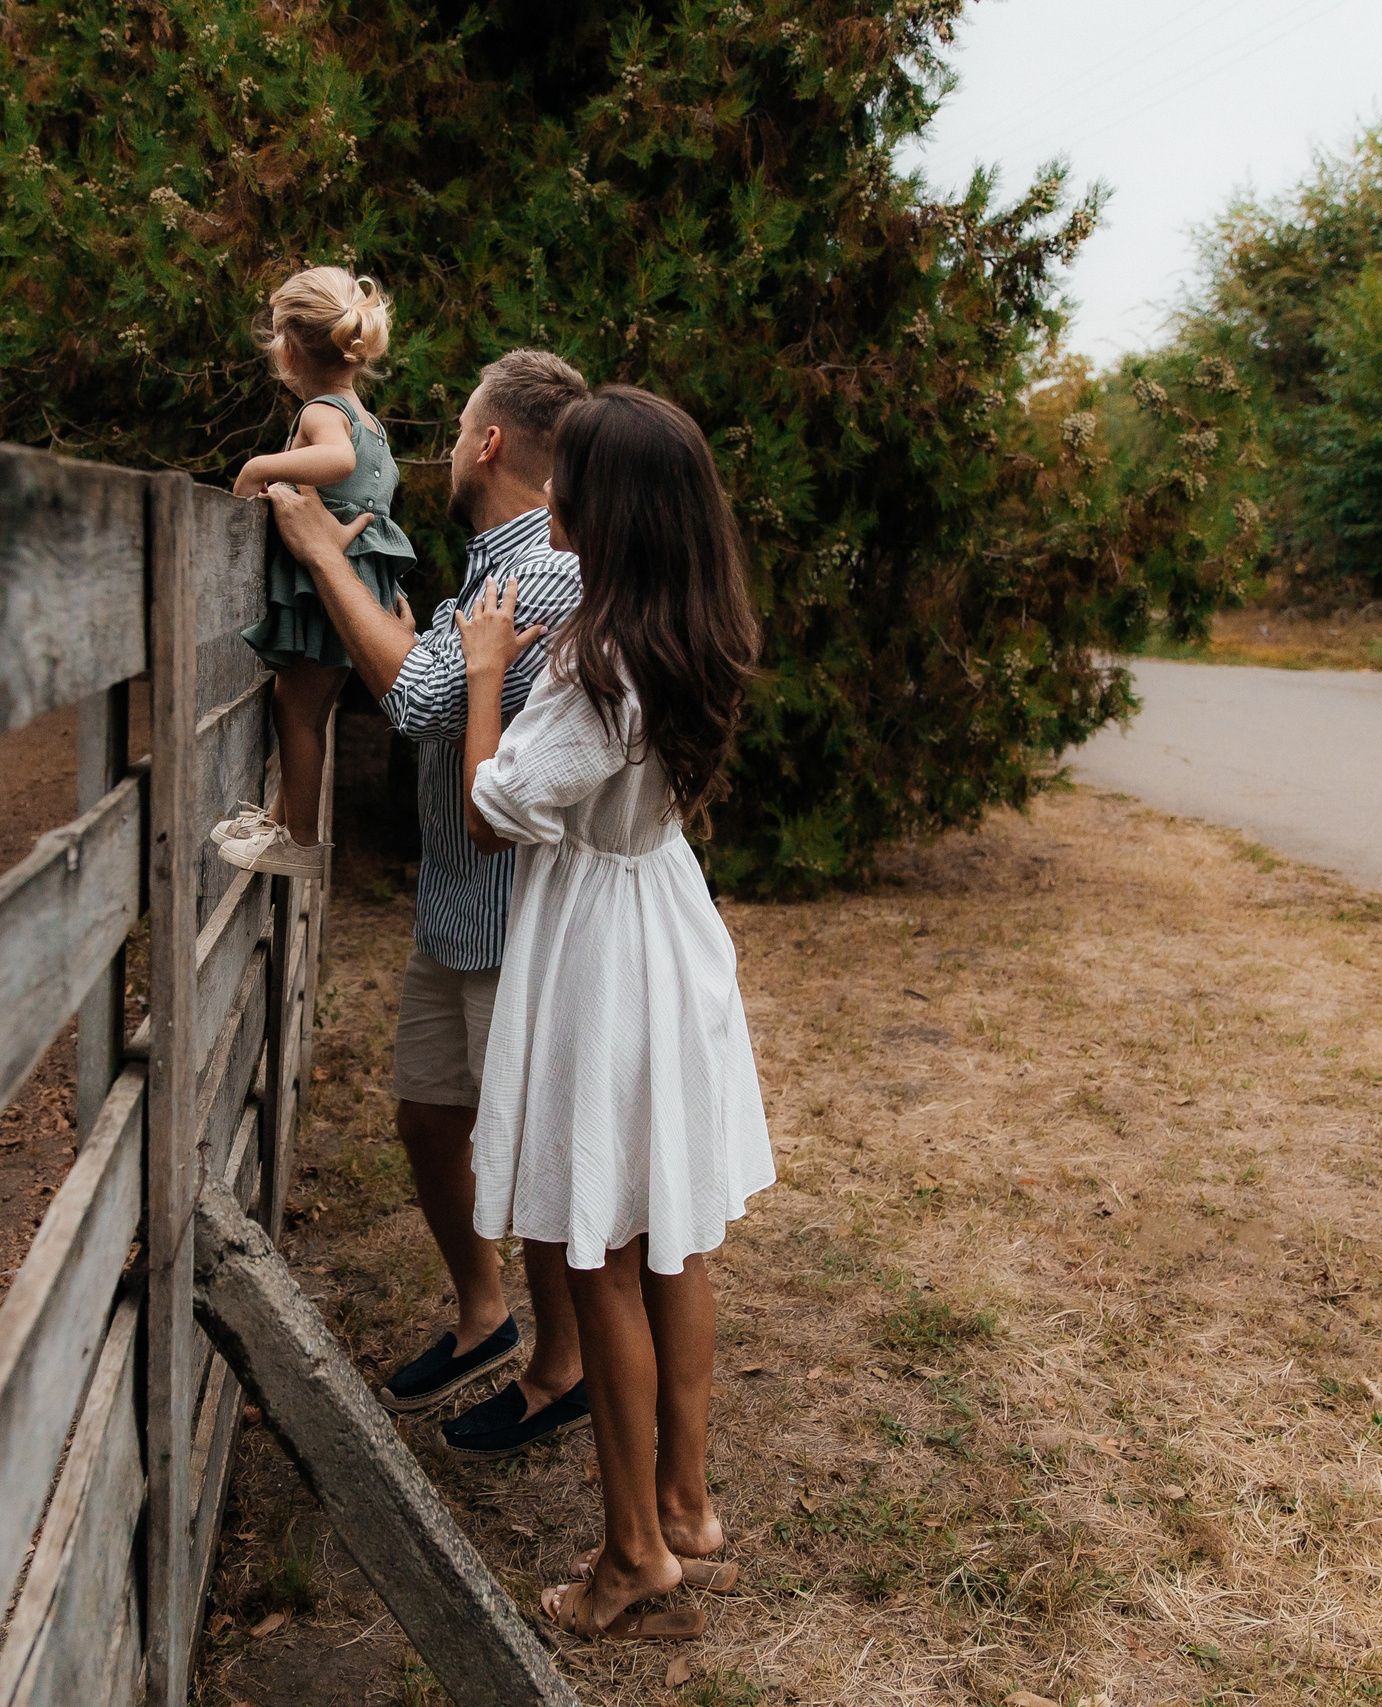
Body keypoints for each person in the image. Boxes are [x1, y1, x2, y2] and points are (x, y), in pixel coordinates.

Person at [454, 386, 773, 1642]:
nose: (551, 495)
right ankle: (686, 1507)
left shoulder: (591, 662)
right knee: (672, 1239)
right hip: (666, 921)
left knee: (598, 1258)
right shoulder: (688, 631)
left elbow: (496, 808)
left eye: (566, 477)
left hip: (598, 947)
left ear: (604, 507)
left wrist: (487, 677)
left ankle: (632, 1553)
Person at [266, 350, 596, 1457]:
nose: (445, 450)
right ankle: (483, 1314)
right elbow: (440, 683)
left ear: (490, 443)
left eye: (456, 431)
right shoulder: (489, 560)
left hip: (515, 921)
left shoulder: (542, 568)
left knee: (529, 1156)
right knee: (426, 1116)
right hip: (456, 903)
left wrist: (323, 559)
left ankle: (563, 1368)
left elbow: (415, 703)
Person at [216, 267, 416, 877]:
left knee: (294, 708)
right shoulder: (371, 421)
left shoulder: (323, 412)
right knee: (308, 706)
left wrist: (255, 470)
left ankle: (297, 839)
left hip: (330, 589)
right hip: (362, 592)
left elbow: (337, 459)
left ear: (289, 347)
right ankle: (284, 823)